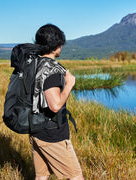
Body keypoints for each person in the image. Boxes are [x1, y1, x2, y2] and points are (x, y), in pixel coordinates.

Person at [30, 24, 84, 180]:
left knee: (41, 176)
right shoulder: (52, 70)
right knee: (75, 177)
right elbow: (54, 105)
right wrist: (69, 85)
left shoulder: (33, 64)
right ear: (56, 45)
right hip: (52, 134)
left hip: (35, 129)